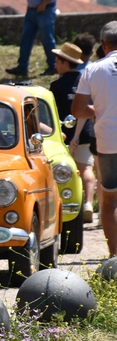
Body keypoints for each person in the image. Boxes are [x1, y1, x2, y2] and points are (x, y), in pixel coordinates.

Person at [72, 21, 117, 256]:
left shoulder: (93, 69)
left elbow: (78, 110)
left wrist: (98, 110)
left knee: (110, 201)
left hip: (109, 140)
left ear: (103, 44)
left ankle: (115, 257)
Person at [49, 41, 96, 223]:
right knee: (86, 169)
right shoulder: (86, 82)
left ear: (65, 63)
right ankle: (89, 203)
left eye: (57, 62)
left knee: (63, 172)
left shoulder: (56, 86)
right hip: (85, 133)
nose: (55, 65)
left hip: (62, 136)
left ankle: (64, 204)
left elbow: (53, 114)